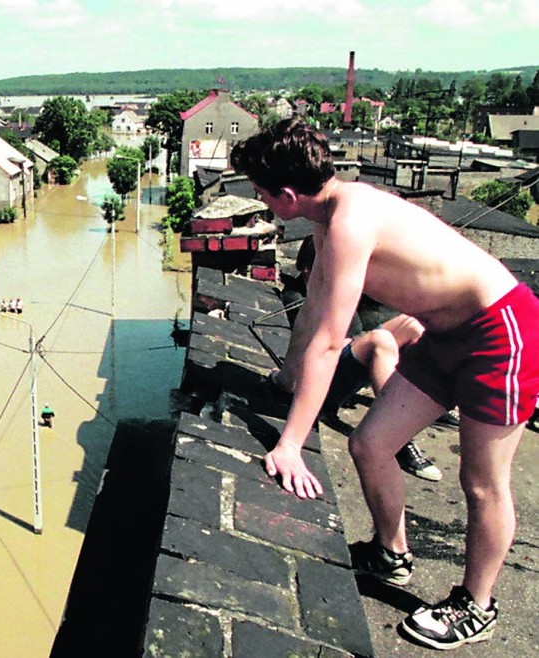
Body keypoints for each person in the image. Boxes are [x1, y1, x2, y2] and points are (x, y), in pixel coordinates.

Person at [231, 118, 539, 650]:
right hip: (445, 337)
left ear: (285, 195)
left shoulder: (350, 222)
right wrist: (285, 375)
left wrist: (290, 444)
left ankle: (477, 604)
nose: (258, 200)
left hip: (502, 334)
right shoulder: (328, 214)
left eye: (260, 193)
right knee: (370, 444)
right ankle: (391, 554)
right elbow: (313, 311)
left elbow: (330, 344)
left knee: (482, 482)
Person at [275, 235, 442, 482]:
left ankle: (432, 394)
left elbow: (352, 333)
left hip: (340, 359)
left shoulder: (335, 293)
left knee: (412, 325)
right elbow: (322, 348)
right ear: (308, 270)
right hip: (319, 380)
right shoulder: (297, 298)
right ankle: (401, 438)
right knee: (380, 342)